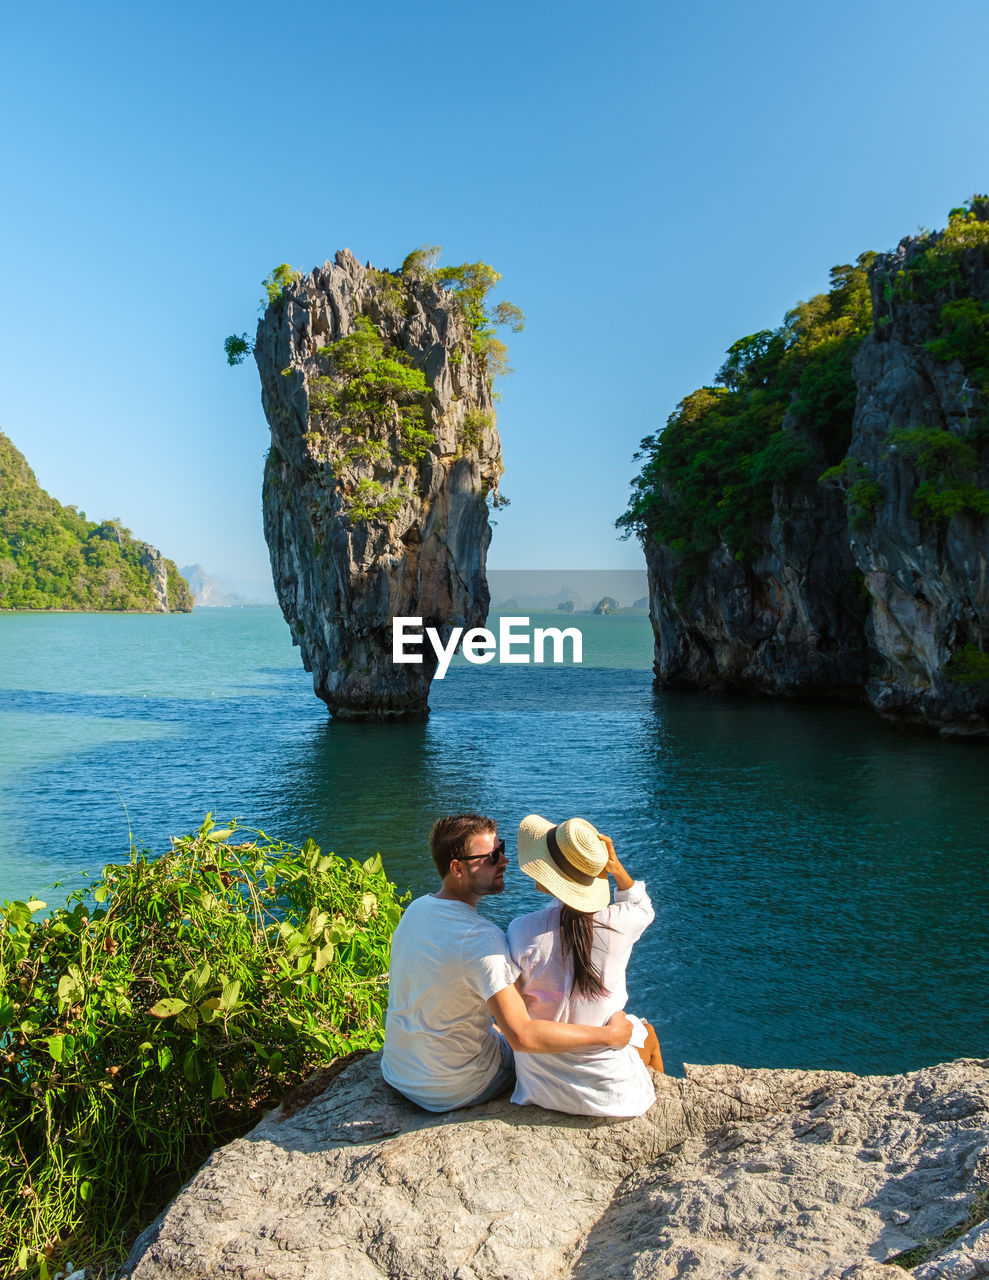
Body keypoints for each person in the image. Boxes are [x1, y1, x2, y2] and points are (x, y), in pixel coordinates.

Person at [381, 812, 634, 1112]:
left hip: (398, 1071)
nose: (504, 861)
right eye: (491, 857)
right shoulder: (481, 940)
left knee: (497, 1026)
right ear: (456, 868)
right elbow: (523, 1035)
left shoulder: (415, 910)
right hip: (454, 1088)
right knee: (524, 1043)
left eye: (500, 848)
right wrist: (609, 1035)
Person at [506, 814, 663, 1117]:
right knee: (648, 1033)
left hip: (540, 1085)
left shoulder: (521, 931)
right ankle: (662, 1101)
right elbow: (642, 907)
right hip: (608, 1092)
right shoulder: (620, 925)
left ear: (549, 875)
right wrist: (616, 868)